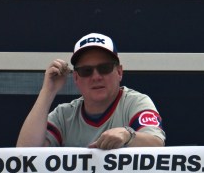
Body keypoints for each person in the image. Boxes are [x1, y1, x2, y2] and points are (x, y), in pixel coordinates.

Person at [16, 32, 165, 149]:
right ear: (75, 78)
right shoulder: (64, 115)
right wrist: (47, 91)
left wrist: (128, 135)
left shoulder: (135, 102)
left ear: (119, 72)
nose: (96, 77)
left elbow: (157, 144)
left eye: (104, 68)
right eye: (86, 71)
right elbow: (25, 154)